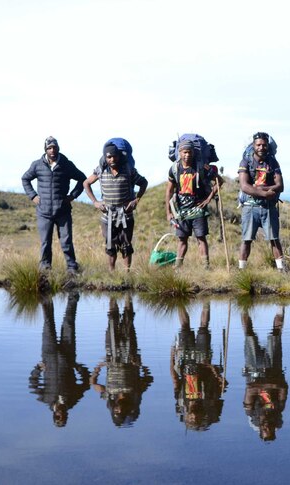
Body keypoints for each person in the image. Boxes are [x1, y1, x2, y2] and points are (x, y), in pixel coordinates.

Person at [21, 136, 87, 274]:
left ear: (58, 148)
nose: (52, 150)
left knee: (66, 241)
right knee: (45, 243)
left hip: (63, 211)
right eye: (49, 148)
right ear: (45, 149)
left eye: (54, 147)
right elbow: (25, 178)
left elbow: (82, 179)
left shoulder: (66, 164)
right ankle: (45, 269)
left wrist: (72, 196)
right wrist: (33, 196)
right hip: (43, 212)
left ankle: (71, 268)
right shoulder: (37, 165)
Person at [83, 141, 148, 271]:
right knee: (110, 245)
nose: (112, 159)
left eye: (114, 156)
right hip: (107, 214)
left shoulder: (128, 170)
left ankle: (126, 272)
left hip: (126, 213)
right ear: (105, 158)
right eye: (109, 157)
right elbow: (86, 183)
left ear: (119, 156)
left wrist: (136, 200)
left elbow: (143, 183)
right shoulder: (100, 170)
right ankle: (112, 272)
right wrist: (95, 202)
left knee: (126, 244)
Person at [28, 293, 90, 427]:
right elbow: (86, 383)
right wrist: (77, 367)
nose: (60, 414)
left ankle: (46, 293)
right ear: (66, 415)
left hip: (48, 354)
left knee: (48, 322)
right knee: (69, 322)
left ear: (54, 415)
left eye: (58, 417)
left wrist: (38, 369)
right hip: (68, 354)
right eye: (62, 417)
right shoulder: (73, 400)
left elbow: (32, 384)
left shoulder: (45, 399)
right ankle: (73, 293)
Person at [90, 296, 153, 427]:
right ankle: (127, 295)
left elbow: (92, 383)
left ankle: (113, 294)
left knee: (112, 320)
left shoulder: (108, 395)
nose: (119, 410)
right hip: (130, 353)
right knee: (128, 320)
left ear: (112, 411)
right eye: (121, 412)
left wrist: (99, 367)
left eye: (116, 412)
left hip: (111, 354)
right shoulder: (136, 393)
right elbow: (149, 378)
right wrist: (140, 364)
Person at [164, 139, 221, 268]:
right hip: (181, 210)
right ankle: (178, 267)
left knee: (201, 238)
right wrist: (168, 212)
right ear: (179, 152)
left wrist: (208, 199)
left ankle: (205, 267)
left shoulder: (201, 167)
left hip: (198, 209)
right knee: (182, 239)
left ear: (193, 153)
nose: (187, 155)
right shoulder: (174, 169)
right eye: (184, 152)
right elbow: (169, 190)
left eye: (189, 152)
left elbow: (219, 181)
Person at [170, 302, 226, 431]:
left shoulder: (182, 403)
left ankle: (180, 299)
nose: (193, 418)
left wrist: (172, 356)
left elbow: (174, 378)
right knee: (203, 328)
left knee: (184, 327)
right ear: (202, 417)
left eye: (190, 420)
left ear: (187, 417)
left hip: (185, 361)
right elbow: (221, 381)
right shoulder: (209, 402)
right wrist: (211, 366)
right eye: (196, 420)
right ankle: (206, 301)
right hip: (203, 361)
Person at [237, 132, 285, 271]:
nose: (261, 147)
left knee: (274, 239)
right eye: (258, 145)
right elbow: (244, 186)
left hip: (268, 207)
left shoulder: (273, 162)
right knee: (246, 239)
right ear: (253, 145)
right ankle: (241, 271)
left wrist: (261, 189)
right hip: (250, 207)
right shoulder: (245, 162)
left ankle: (281, 269)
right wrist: (265, 193)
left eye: (264, 145)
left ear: (268, 146)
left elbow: (280, 186)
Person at [242, 306, 288, 441]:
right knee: (276, 334)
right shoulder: (279, 409)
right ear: (274, 429)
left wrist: (270, 385)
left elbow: (250, 389)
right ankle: (280, 307)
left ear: (261, 429)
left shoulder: (251, 412)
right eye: (270, 430)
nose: (267, 428)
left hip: (254, 368)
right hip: (273, 368)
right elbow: (284, 387)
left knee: (249, 334)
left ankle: (243, 308)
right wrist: (267, 385)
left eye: (265, 431)